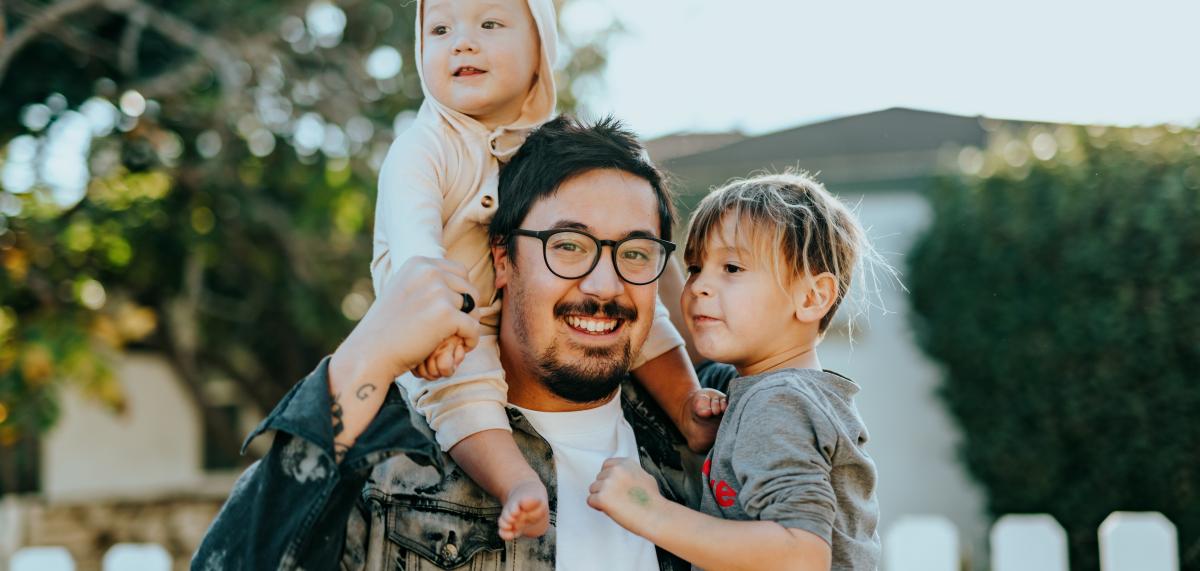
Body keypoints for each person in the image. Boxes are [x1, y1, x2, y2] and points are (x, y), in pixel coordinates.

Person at [192, 115, 733, 571]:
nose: (604, 285)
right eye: (568, 246)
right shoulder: (392, 455)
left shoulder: (723, 434)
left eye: (635, 253)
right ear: (502, 260)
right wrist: (369, 352)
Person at [370, 0, 720, 540]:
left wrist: (642, 244)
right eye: (439, 29)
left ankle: (687, 403)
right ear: (504, 253)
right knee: (462, 394)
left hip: (494, 311)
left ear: (541, 51)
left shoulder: (550, 146)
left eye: (489, 25)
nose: (462, 42)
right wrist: (434, 326)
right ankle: (516, 483)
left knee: (642, 316)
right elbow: (417, 254)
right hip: (446, 326)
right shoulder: (423, 149)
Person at [588, 172, 884, 570]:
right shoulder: (761, 391)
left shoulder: (777, 404)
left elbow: (801, 554)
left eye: (731, 267)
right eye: (694, 267)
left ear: (812, 297)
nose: (698, 288)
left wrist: (648, 511)